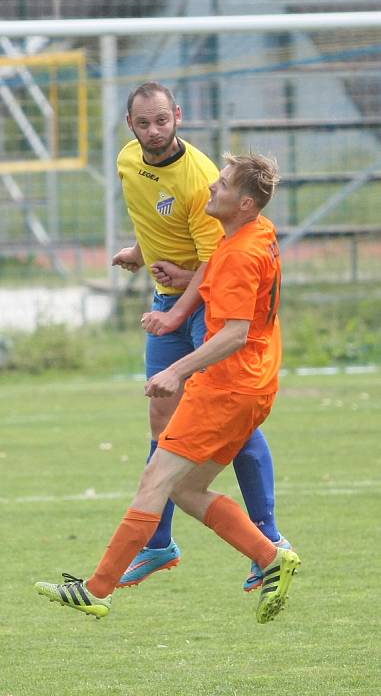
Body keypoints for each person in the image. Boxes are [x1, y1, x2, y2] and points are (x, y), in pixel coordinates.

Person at [34, 152, 301, 624]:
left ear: (243, 203)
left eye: (221, 184)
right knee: (186, 488)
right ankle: (270, 556)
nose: (211, 189)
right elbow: (234, 280)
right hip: (255, 383)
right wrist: (185, 279)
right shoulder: (256, 232)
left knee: (156, 479)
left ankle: (97, 589)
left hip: (225, 387)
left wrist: (177, 371)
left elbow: (235, 331)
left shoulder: (240, 251)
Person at [111, 82, 290, 592]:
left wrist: (180, 300)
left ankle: (270, 540)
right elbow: (159, 222)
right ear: (130, 125)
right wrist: (140, 252)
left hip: (202, 306)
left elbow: (219, 257)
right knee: (160, 422)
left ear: (178, 117)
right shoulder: (129, 161)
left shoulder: (202, 178)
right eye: (144, 123)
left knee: (231, 423)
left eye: (162, 121)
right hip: (169, 299)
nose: (153, 131)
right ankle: (158, 545)